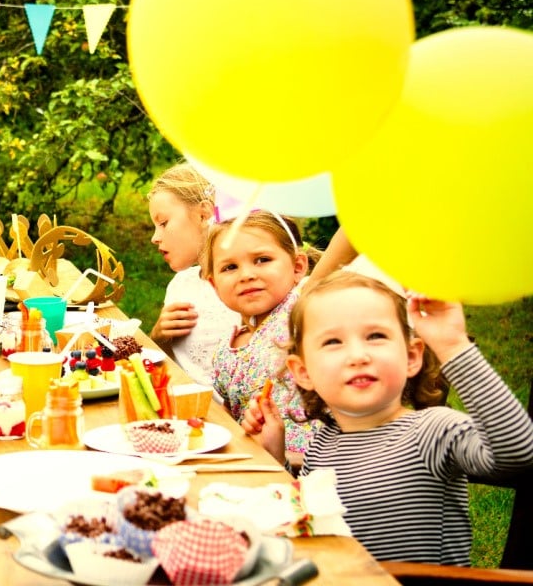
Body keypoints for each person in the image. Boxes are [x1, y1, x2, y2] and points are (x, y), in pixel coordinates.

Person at [251, 271, 533, 565]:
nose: (358, 355)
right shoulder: (323, 442)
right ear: (304, 372)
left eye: (376, 336)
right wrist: (276, 457)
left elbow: (518, 452)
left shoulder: (433, 430)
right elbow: (309, 521)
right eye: (333, 342)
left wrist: (452, 346)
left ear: (411, 357)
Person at [203, 210, 319, 464]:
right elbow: (229, 414)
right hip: (253, 464)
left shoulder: (301, 313)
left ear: (298, 267)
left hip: (311, 466)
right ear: (214, 285)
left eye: (262, 260)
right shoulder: (225, 348)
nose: (246, 275)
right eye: (230, 267)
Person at [146, 163, 238, 386]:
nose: (154, 238)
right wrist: (158, 336)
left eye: (163, 223)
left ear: (204, 214)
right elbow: (168, 363)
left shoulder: (245, 286)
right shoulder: (181, 284)